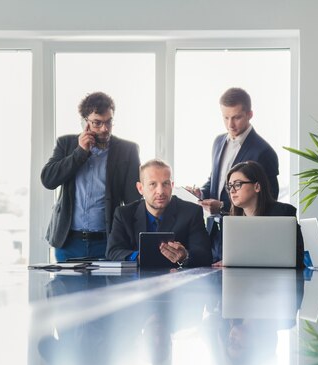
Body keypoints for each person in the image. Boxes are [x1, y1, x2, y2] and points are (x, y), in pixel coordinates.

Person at [41, 92, 141, 261]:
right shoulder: (66, 144)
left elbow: (133, 200)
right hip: (68, 242)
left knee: (107, 288)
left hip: (107, 242)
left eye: (109, 122)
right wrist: (80, 153)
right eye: (97, 123)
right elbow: (48, 180)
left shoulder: (127, 150)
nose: (104, 128)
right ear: (84, 123)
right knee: (66, 288)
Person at [186, 87, 280, 259]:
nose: (230, 124)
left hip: (244, 236)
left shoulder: (264, 152)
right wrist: (200, 193)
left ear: (250, 114)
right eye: (226, 117)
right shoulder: (218, 142)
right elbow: (215, 179)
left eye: (236, 117)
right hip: (214, 234)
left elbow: (269, 200)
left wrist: (222, 206)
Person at [106, 159, 212, 267]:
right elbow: (112, 252)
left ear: (172, 185)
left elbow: (205, 255)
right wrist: (139, 256)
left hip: (177, 280)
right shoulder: (124, 214)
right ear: (140, 188)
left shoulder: (191, 212)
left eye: (166, 184)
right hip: (136, 280)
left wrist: (185, 256)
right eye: (153, 184)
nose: (160, 191)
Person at [212, 160, 304, 268]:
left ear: (257, 186)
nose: (232, 191)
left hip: (278, 279)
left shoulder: (283, 213)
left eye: (237, 184)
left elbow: (296, 258)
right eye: (229, 186)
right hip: (240, 279)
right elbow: (220, 256)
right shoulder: (231, 222)